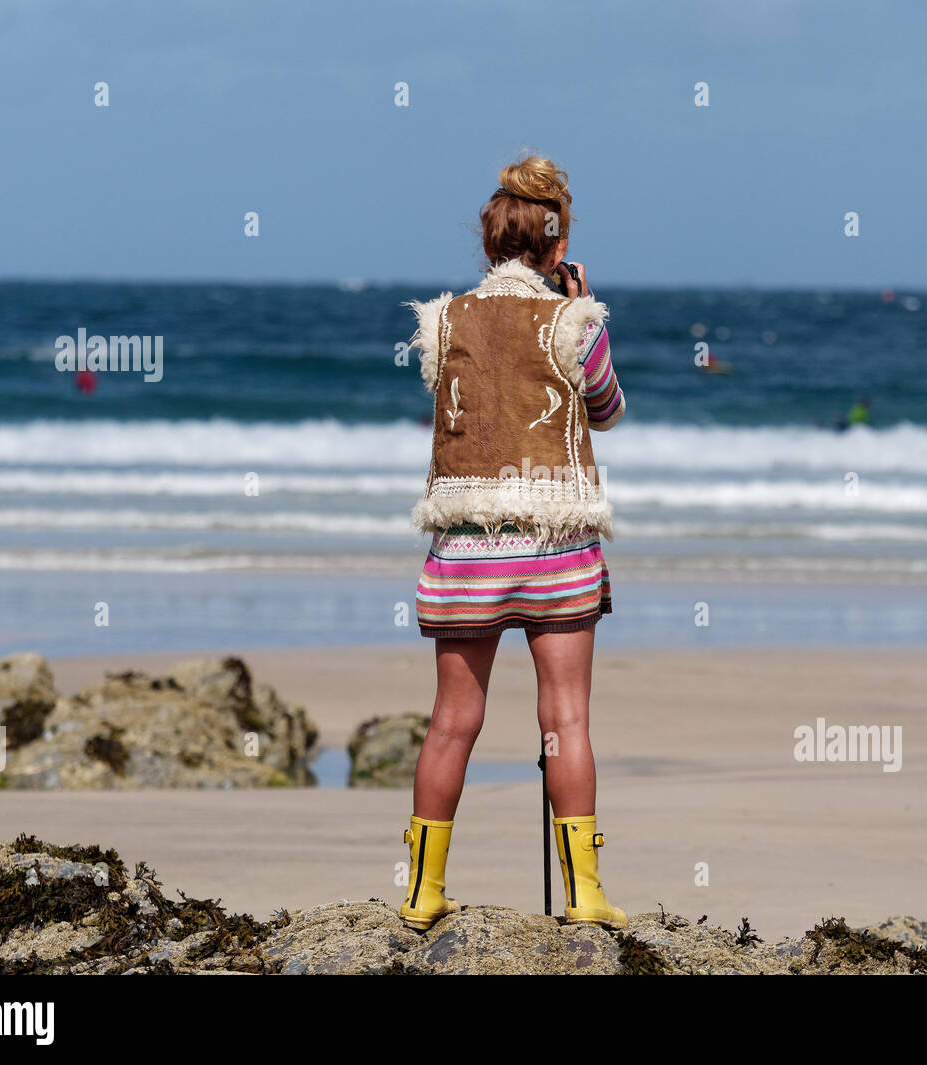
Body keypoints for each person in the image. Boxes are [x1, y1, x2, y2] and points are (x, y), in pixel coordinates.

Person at [400, 155, 628, 932]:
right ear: (555, 246)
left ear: (492, 239)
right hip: (557, 548)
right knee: (565, 715)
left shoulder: (444, 320)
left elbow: (467, 404)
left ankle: (424, 888)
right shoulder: (572, 319)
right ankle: (586, 893)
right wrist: (582, 305)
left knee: (451, 720)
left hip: (464, 552)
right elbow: (606, 408)